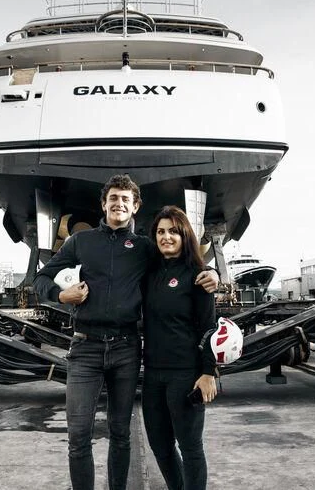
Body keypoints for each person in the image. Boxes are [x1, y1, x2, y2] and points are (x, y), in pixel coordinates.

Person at [32, 174, 218, 490]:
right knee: (78, 435)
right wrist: (62, 296)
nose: (119, 204)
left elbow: (180, 259)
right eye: (113, 198)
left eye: (126, 200)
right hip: (86, 347)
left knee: (121, 433)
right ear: (104, 204)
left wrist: (209, 272)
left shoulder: (145, 247)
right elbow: (42, 278)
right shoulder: (81, 242)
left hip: (126, 347)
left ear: (135, 208)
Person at [142, 205, 217, 490]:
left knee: (190, 447)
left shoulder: (198, 275)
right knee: (160, 446)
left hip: (186, 375)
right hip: (152, 375)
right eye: (160, 232)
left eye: (173, 231)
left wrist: (209, 372)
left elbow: (208, 327)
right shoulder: (149, 274)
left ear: (185, 235)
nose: (166, 237)